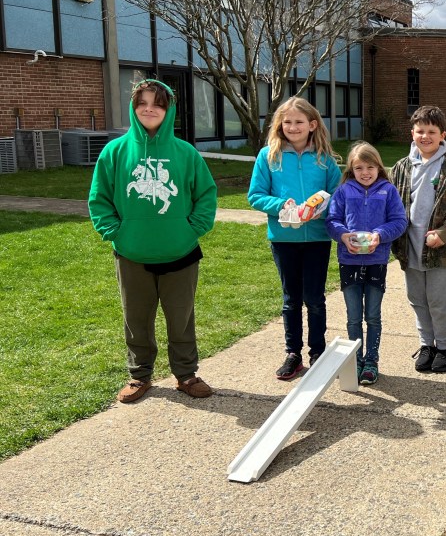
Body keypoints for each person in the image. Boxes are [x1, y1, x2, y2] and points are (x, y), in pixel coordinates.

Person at [88, 79, 217, 403]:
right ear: (133, 108)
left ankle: (186, 375)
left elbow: (205, 195)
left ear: (168, 110)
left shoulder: (186, 153)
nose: (149, 109)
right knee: (136, 319)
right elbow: (99, 199)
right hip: (132, 253)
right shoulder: (115, 152)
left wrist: (191, 229)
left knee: (181, 319)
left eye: (157, 104)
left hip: (181, 252)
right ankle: (139, 375)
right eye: (142, 103)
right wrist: (115, 232)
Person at [248, 97, 342, 381]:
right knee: (291, 299)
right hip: (283, 238)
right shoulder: (268, 156)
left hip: (317, 239)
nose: (292, 127)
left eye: (299, 122)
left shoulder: (325, 159)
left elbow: (338, 195)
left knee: (314, 298)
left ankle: (318, 352)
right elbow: (255, 195)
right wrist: (281, 206)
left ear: (312, 125)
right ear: (279, 125)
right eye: (286, 122)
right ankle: (293, 353)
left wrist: (320, 210)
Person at [391, 105, 446, 374]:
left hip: (441, 248)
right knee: (417, 298)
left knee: (438, 300)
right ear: (412, 133)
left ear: (443, 135)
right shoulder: (401, 167)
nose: (425, 136)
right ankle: (426, 345)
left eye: (431, 131)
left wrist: (445, 231)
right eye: (420, 131)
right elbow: (391, 203)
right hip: (409, 245)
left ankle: (444, 348)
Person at [325, 143, 407, 385]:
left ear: (379, 167)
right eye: (359, 168)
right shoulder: (343, 191)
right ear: (351, 169)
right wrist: (343, 236)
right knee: (353, 316)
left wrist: (379, 235)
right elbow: (332, 219)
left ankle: (371, 361)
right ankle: (355, 360)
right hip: (349, 261)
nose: (365, 172)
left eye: (370, 167)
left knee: (372, 315)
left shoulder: (388, 191)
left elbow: (399, 221)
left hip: (376, 261)